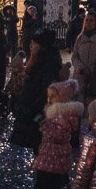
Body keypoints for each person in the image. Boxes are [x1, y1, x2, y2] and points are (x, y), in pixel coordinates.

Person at [28, 79, 84, 189]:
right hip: (50, 154)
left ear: (62, 97)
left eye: (52, 96)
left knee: (53, 188)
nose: (49, 100)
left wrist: (43, 124)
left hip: (55, 155)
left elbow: (57, 135)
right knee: (51, 186)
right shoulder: (57, 113)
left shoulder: (63, 116)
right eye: (49, 96)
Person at [12, 30, 64, 158]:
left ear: (42, 46)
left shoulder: (48, 63)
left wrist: (30, 109)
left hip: (38, 110)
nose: (30, 46)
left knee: (41, 145)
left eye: (34, 43)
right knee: (37, 146)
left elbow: (45, 90)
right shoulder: (35, 59)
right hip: (31, 106)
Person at [70, 11, 96, 101]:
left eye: (91, 20)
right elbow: (75, 56)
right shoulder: (80, 38)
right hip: (79, 76)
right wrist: (81, 68)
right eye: (87, 20)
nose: (88, 22)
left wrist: (92, 71)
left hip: (95, 78)